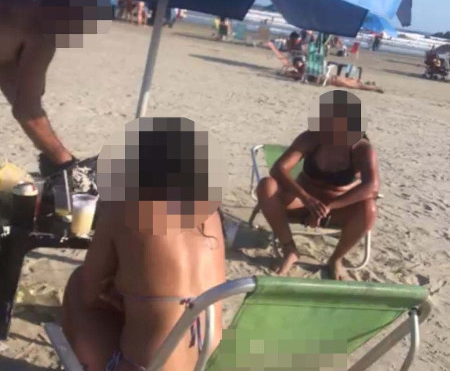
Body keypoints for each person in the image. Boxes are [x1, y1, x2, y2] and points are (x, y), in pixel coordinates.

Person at [62, 117, 227, 371]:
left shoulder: (123, 210)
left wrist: (122, 296)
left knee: (77, 283)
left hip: (145, 366)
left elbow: (89, 294)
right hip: (207, 363)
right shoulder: (210, 214)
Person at [256, 90, 379, 280]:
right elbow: (278, 169)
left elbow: (372, 186)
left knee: (369, 208)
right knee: (267, 185)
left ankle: (336, 259)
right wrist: (307, 199)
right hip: (301, 203)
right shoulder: (312, 138)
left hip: (336, 209)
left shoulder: (360, 149)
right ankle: (289, 249)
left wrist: (328, 208)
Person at [0, 0, 107, 184]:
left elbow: (11, 82)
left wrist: (53, 153)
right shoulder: (44, 26)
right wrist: (66, 164)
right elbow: (27, 110)